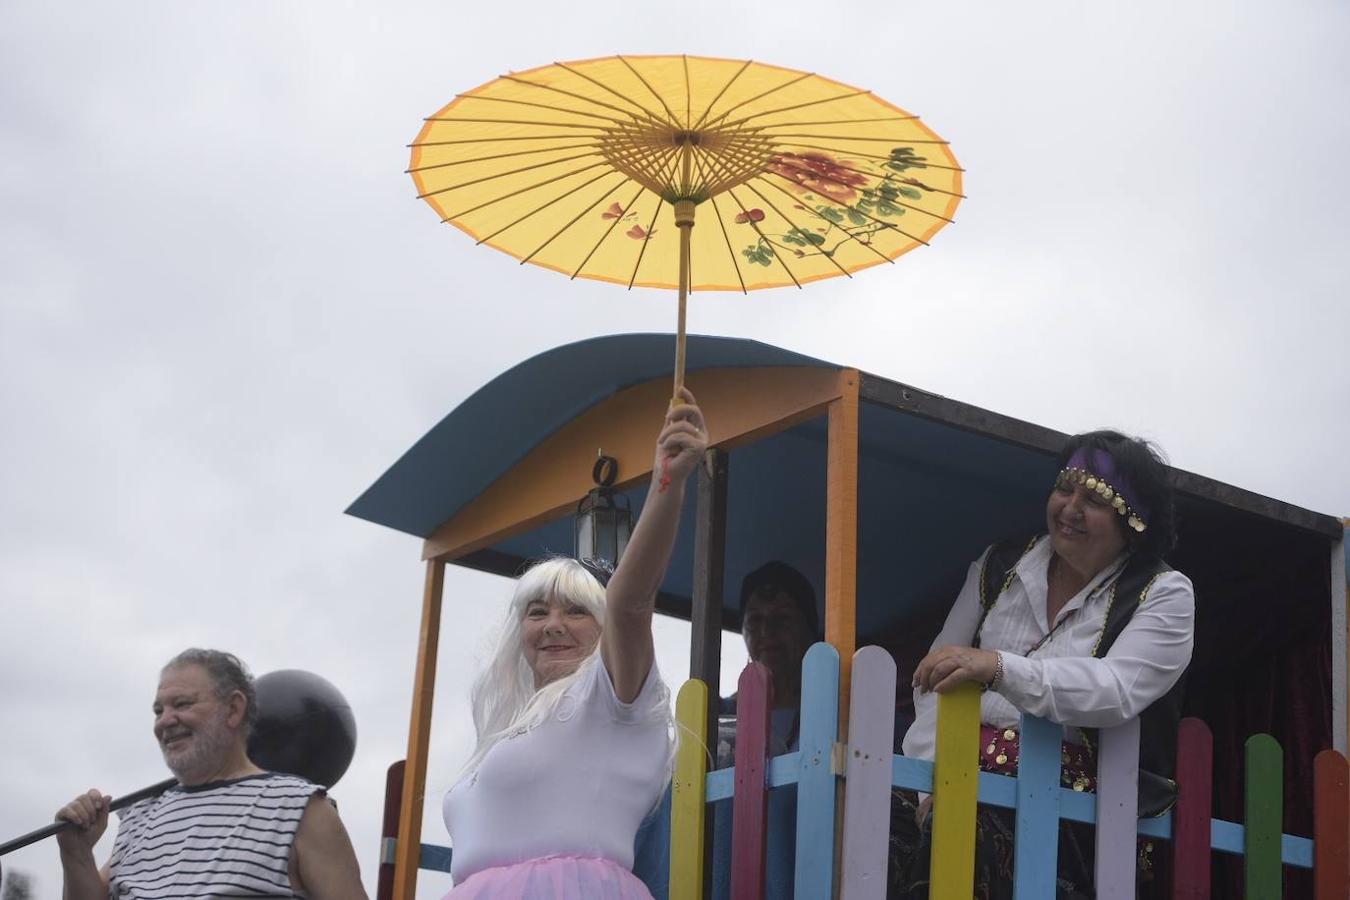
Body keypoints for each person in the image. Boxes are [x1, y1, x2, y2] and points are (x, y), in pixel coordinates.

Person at [894, 430, 1195, 898]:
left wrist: (998, 667)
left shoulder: (1164, 593)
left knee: (965, 828)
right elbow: (935, 675)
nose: (1071, 508)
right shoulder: (1000, 565)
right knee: (864, 805)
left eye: (1094, 498)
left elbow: (1114, 690)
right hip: (954, 774)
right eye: (1064, 488)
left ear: (1132, 519)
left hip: (1075, 806)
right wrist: (931, 783)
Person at [441, 387, 708, 898]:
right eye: (537, 612)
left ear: (603, 629)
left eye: (576, 611)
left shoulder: (608, 698)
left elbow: (631, 603)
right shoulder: (511, 727)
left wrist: (667, 482)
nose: (553, 625)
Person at [54, 648, 367, 900]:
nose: (165, 721)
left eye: (182, 704)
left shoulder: (300, 808)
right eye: (158, 711)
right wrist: (77, 854)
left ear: (233, 709)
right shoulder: (140, 815)